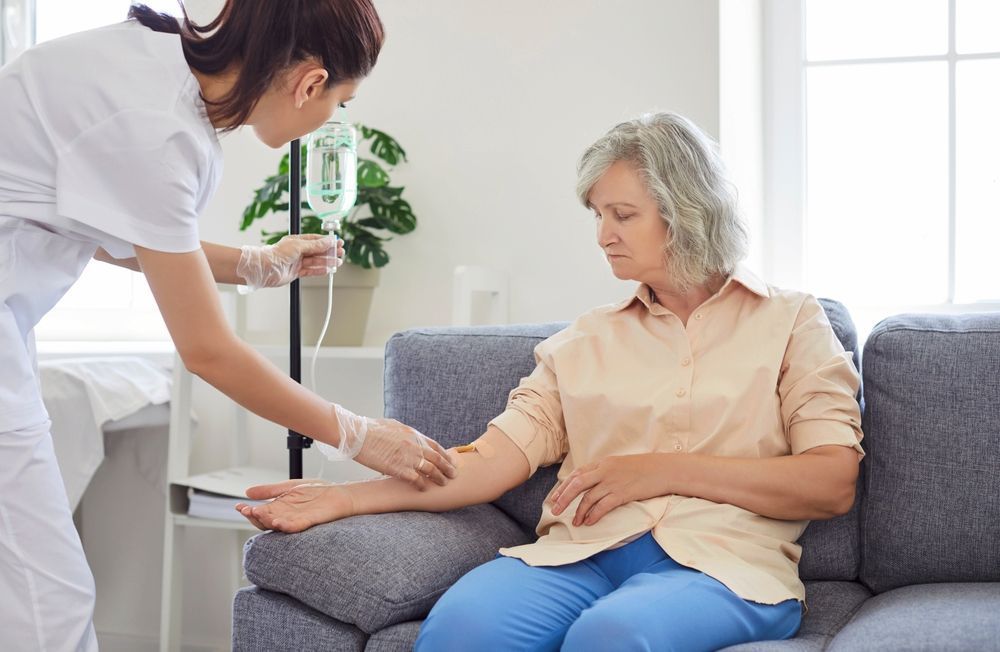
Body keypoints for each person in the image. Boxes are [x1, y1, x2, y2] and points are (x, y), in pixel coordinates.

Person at [238, 112, 865, 651]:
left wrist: (663, 470)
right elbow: (486, 463)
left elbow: (831, 480)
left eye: (623, 214)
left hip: (723, 567)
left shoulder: (791, 322)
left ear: (688, 213)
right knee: (464, 623)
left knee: (614, 634)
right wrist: (345, 499)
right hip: (579, 554)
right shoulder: (583, 343)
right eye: (597, 214)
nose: (603, 235)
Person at [0, 2, 457, 650]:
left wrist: (255, 264)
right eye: (341, 101)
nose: (331, 119)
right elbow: (208, 351)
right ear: (309, 84)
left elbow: (95, 220)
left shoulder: (152, 65)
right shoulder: (162, 128)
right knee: (48, 603)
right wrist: (355, 434)